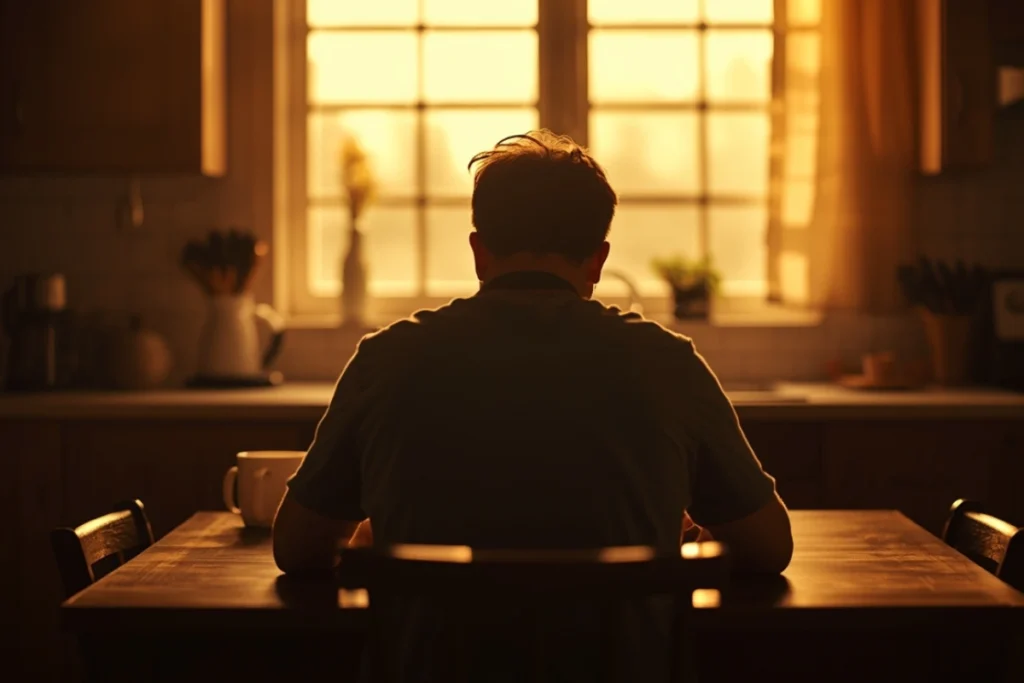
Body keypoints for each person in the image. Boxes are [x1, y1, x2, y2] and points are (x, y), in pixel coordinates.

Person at [272, 130, 793, 680]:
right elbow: (768, 548)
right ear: (598, 260)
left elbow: (297, 548)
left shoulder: (386, 360)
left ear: (479, 252)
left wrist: (379, 532)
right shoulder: (669, 364)